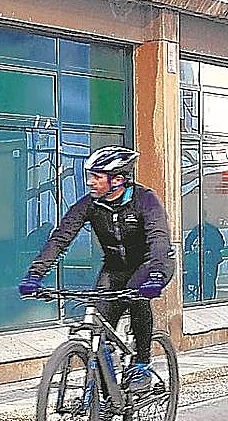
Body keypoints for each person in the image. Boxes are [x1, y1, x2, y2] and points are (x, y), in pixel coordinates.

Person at [17, 146, 173, 393]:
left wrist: (156, 276)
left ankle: (142, 364)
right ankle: (103, 396)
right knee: (98, 329)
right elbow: (61, 238)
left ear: (117, 180)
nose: (90, 181)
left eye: (97, 177)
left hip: (150, 264)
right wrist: (35, 274)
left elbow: (159, 239)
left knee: (137, 297)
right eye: (90, 176)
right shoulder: (90, 204)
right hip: (114, 268)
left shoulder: (145, 200)